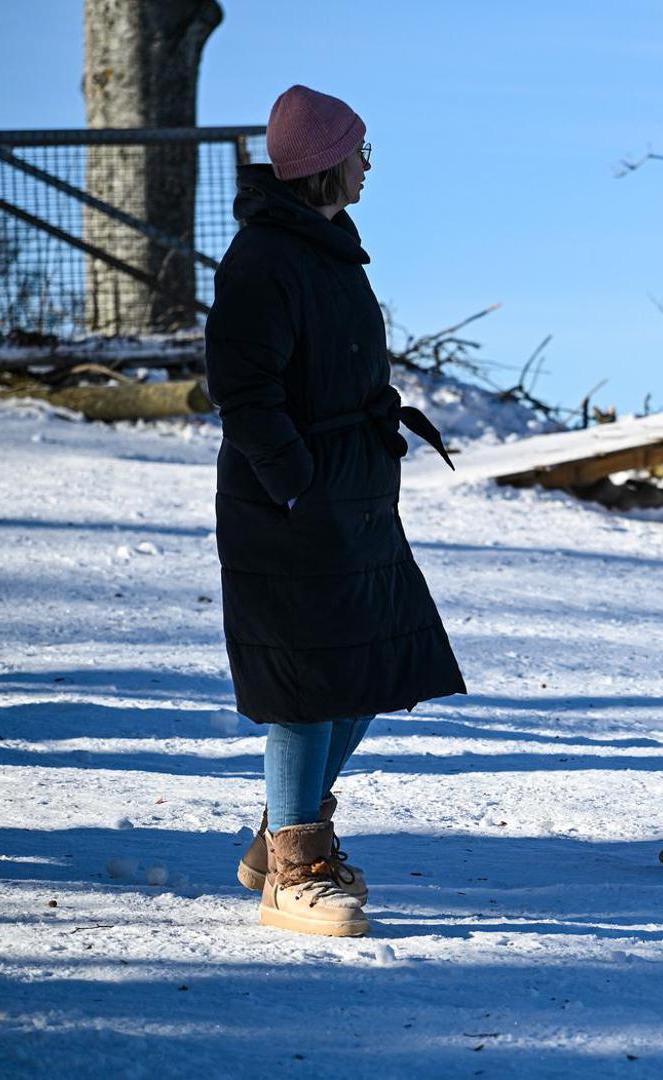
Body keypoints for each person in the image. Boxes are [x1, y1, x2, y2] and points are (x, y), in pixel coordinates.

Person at [207, 84, 466, 937]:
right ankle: (295, 872)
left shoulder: (328, 248)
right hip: (289, 510)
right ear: (326, 161)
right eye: (360, 150)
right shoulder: (263, 260)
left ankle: (281, 835)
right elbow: (243, 392)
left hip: (352, 499)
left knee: (371, 669)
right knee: (305, 687)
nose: (367, 166)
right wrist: (296, 484)